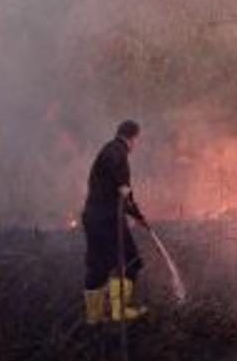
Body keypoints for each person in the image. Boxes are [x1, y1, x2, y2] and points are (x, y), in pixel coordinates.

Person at [82, 120, 149, 324]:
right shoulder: (117, 153)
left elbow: (118, 191)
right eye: (137, 140)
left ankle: (94, 316)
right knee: (131, 261)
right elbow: (123, 191)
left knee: (98, 265)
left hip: (92, 216)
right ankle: (119, 311)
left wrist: (136, 214)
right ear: (132, 138)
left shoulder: (108, 149)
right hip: (108, 219)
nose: (136, 145)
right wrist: (137, 213)